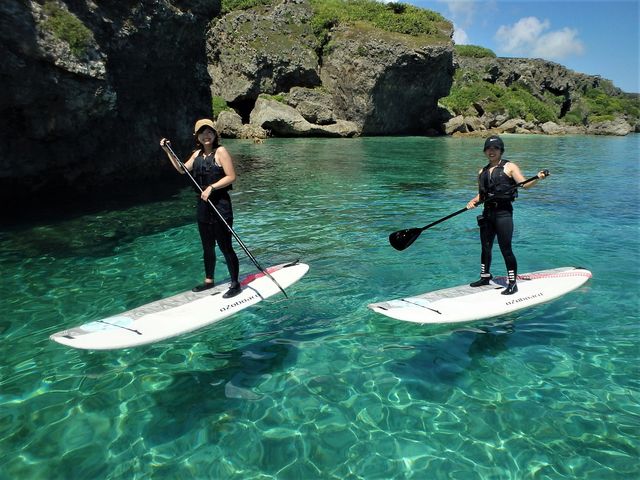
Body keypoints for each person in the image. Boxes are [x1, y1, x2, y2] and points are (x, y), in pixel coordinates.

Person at [160, 119, 241, 298]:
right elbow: (182, 169)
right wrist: (167, 151)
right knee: (207, 247)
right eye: (202, 132)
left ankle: (235, 283)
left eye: (210, 132)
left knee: (225, 246)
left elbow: (231, 176)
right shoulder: (196, 154)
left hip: (220, 205)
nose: (207, 135)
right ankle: (209, 281)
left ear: (214, 134)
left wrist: (211, 187)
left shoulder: (221, 152)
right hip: (203, 207)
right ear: (197, 136)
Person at [466, 135, 547, 295]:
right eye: (489, 148)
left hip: (503, 215)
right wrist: (472, 201)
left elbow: (525, 185)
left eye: (495, 148)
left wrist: (538, 178)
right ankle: (485, 277)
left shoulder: (509, 167)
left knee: (505, 248)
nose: (492, 151)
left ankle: (512, 283)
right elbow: (482, 196)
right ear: (485, 151)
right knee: (486, 247)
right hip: (487, 214)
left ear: (501, 150)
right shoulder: (481, 171)